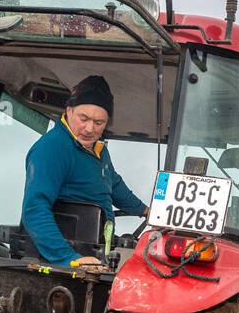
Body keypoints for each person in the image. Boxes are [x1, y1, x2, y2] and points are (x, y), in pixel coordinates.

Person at [21, 75, 147, 270]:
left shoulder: (99, 149)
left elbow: (112, 183)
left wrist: (145, 210)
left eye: (99, 122)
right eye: (84, 118)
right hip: (67, 259)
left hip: (94, 252)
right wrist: (68, 258)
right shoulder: (52, 148)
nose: (89, 129)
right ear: (69, 111)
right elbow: (34, 208)